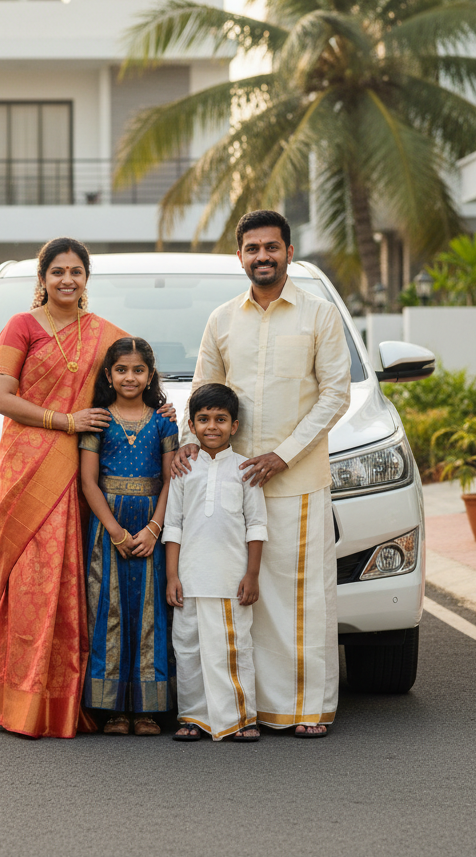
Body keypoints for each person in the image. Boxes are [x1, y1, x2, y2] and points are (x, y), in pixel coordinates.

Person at [171, 211, 351, 738]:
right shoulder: (222, 319)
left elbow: (336, 394)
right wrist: (188, 451)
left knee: (299, 597)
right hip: (231, 485)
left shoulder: (319, 316)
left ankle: (304, 709)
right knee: (236, 596)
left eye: (272, 247)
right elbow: (205, 392)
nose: (263, 257)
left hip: (296, 480)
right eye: (253, 249)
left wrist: (284, 455)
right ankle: (238, 709)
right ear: (241, 256)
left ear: (289, 252)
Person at [0, 237, 174, 739]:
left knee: (79, 583)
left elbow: (135, 376)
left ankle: (79, 701)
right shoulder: (21, 326)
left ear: (86, 278)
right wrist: (65, 420)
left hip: (85, 474)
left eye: (76, 272)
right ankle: (28, 702)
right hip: (31, 466)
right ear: (42, 278)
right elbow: (0, 397)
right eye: (57, 272)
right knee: (33, 583)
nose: (67, 280)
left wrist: (166, 409)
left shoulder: (104, 335)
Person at [78, 337, 178, 736]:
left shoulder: (164, 421)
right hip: (109, 527)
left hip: (152, 524)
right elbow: (88, 482)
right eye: (122, 369)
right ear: (109, 374)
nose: (130, 377)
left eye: (138, 370)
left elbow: (173, 480)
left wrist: (155, 528)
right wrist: (116, 532)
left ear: (150, 375)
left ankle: (148, 710)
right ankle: (114, 710)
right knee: (109, 609)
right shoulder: (99, 420)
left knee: (151, 610)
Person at [164, 383, 267, 742]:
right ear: (191, 425)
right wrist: (172, 576)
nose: (212, 426)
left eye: (220, 419)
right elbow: (173, 525)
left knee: (234, 648)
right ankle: (194, 718)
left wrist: (252, 575)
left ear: (234, 426)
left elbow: (256, 525)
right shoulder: (184, 469)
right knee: (188, 648)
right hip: (190, 580)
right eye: (204, 419)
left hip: (230, 580)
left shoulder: (245, 470)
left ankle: (242, 717)